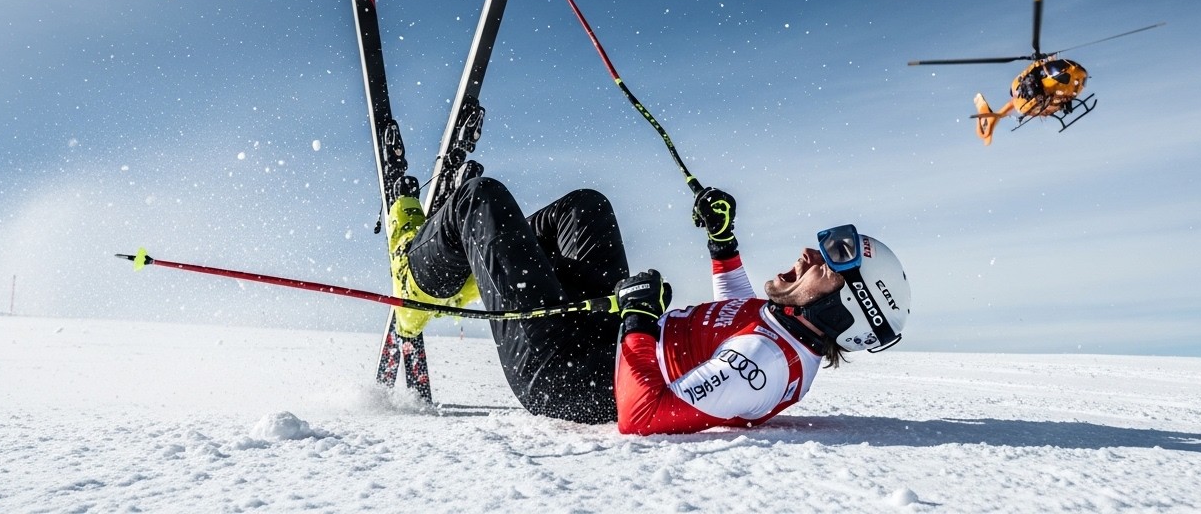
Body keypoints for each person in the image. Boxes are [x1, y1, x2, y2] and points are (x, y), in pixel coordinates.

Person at [386, 175, 912, 434]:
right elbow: (734, 311)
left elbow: (642, 415)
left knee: (480, 198)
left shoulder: (765, 364)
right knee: (586, 207)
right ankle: (479, 262)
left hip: (567, 379)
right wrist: (722, 241)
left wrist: (639, 317)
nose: (809, 254)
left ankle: (415, 281)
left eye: (829, 263)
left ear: (843, 310)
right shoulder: (782, 329)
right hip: (608, 344)